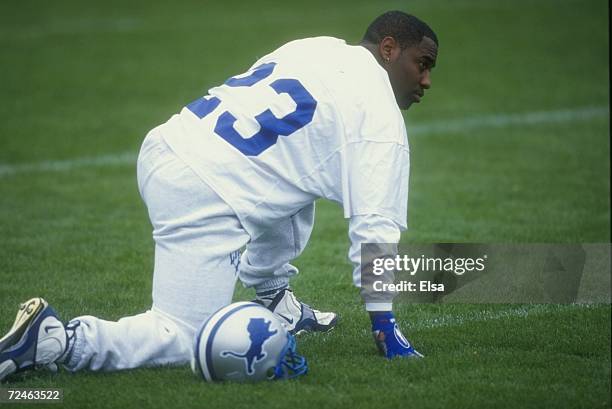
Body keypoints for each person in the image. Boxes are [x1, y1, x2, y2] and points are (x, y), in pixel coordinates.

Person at [0, 10, 438, 381]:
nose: (427, 80)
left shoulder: (316, 46)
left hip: (170, 144)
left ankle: (274, 298)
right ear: (388, 48)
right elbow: (374, 227)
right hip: (205, 190)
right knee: (181, 336)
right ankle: (59, 339)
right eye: (422, 63)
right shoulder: (379, 117)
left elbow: (279, 132)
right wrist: (384, 325)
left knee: (297, 178)